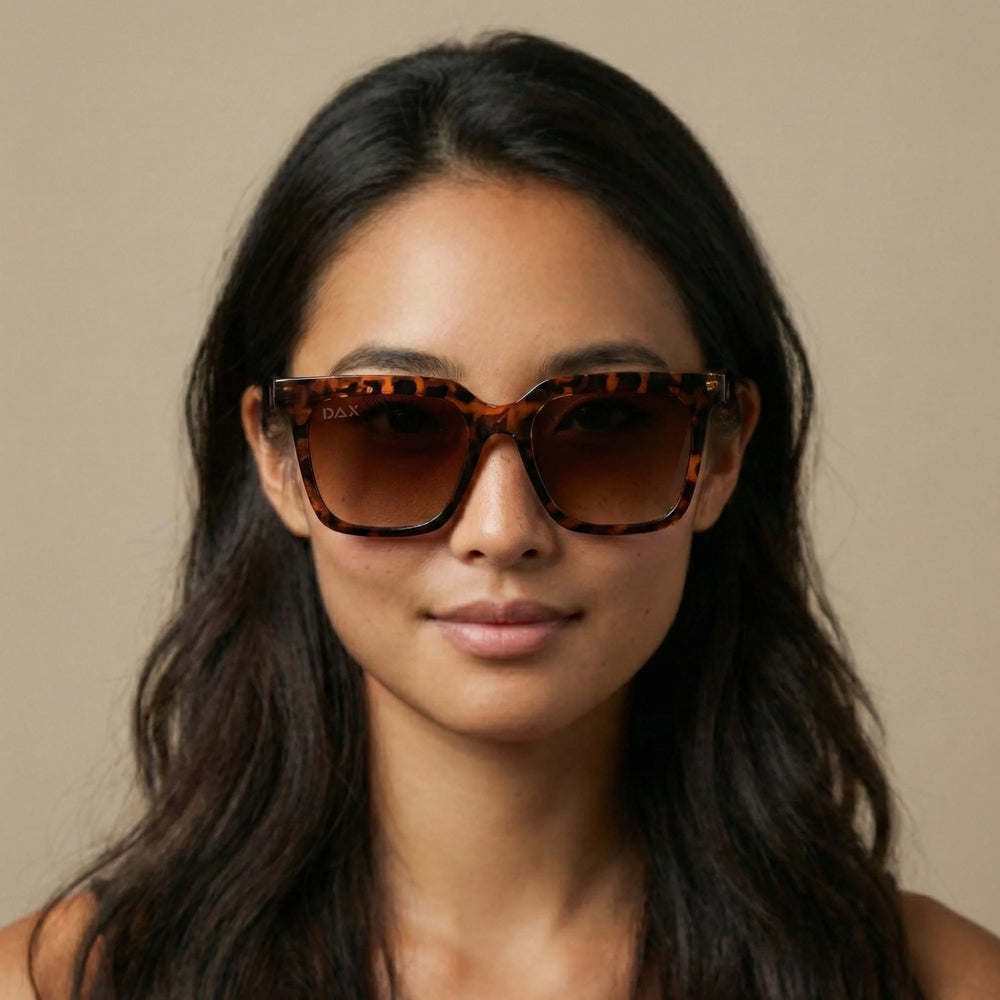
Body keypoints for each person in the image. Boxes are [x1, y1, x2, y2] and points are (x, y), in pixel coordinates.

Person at [2, 30, 998, 1000]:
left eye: (607, 418)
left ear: (723, 451)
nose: (500, 527)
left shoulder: (939, 983)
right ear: (277, 457)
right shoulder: (55, 986)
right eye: (395, 421)